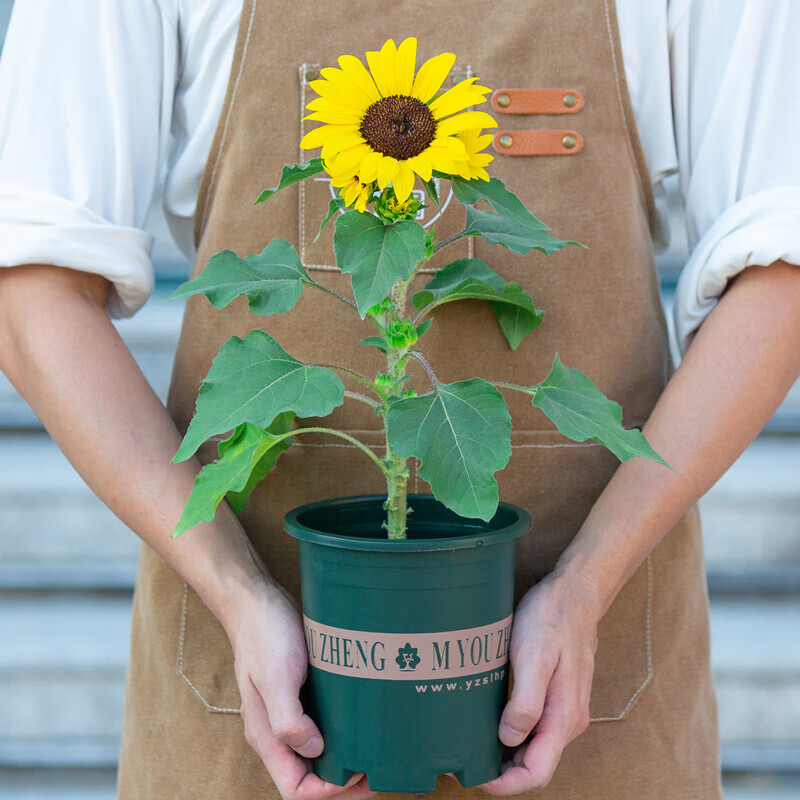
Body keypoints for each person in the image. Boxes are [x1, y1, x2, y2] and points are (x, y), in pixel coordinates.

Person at [1, 1, 799, 798]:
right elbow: (29, 284)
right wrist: (236, 592)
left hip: (592, 687)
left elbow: (785, 272)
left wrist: (586, 585)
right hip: (254, 699)